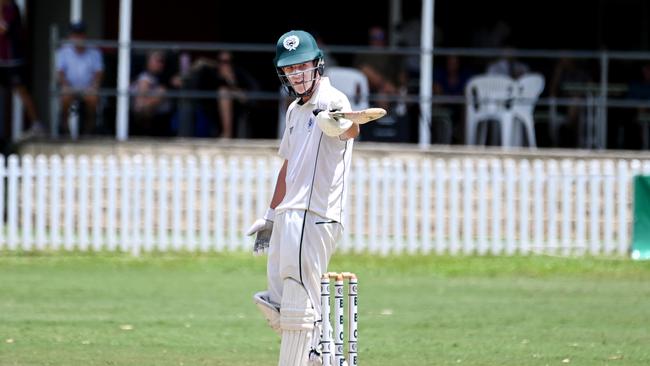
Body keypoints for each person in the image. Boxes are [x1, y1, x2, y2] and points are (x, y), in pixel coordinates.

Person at [247, 30, 359, 366]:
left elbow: (353, 129)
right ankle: (318, 350)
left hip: (315, 212)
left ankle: (321, 355)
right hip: (288, 212)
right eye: (289, 69)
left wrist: (336, 123)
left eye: (301, 66)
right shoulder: (294, 111)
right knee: (275, 301)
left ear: (316, 65)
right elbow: (287, 166)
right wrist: (269, 214)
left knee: (302, 296)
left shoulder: (333, 99)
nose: (296, 75)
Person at [180, 50, 259, 138]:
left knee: (223, 92)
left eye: (227, 62)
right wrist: (200, 63)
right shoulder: (211, 73)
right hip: (211, 110)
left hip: (237, 110)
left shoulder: (239, 73)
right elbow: (190, 81)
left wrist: (230, 81)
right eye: (220, 61)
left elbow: (247, 97)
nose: (224, 65)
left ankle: (226, 135)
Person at [0, 0, 44, 138]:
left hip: (13, 60)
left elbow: (3, 29)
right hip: (1, 59)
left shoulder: (12, 8)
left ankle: (37, 125)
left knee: (22, 91)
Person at [55, 21, 104, 135]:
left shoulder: (94, 51)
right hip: (70, 87)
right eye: (75, 34)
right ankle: (64, 130)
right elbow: (60, 72)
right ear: (71, 36)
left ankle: (89, 130)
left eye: (80, 34)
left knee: (93, 97)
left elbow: (99, 72)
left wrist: (94, 85)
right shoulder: (64, 51)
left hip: (88, 87)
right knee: (65, 96)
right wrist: (66, 85)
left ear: (85, 35)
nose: (78, 38)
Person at [130, 50, 174, 136]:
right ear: (148, 62)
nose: (160, 64)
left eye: (161, 62)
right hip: (141, 116)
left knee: (161, 91)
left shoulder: (164, 78)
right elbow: (140, 103)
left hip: (159, 116)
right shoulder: (143, 77)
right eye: (157, 61)